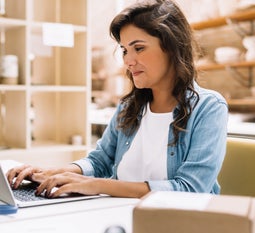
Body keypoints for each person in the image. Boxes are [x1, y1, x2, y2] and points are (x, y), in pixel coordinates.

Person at [7, 0, 228, 199]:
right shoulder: (130, 106)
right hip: (118, 216)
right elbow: (100, 161)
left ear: (172, 47)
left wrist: (95, 185)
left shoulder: (208, 108)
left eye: (139, 48)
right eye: (124, 50)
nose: (128, 61)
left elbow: (191, 189)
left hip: (175, 226)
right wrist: (51, 172)